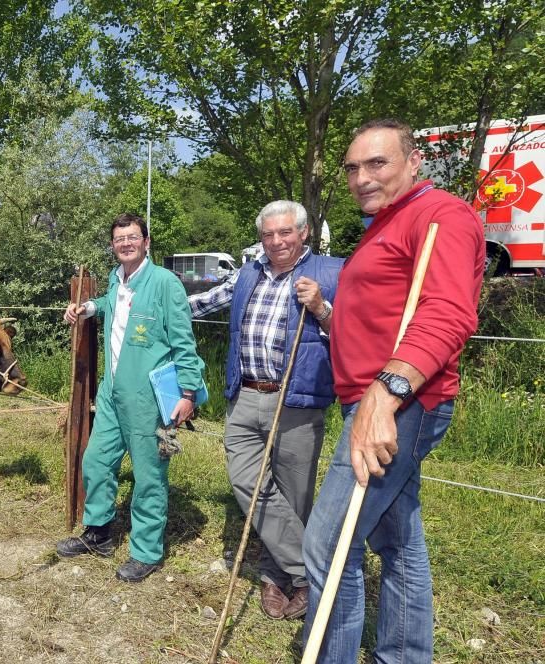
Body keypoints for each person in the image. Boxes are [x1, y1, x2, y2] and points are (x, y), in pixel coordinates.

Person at [302, 119, 484, 661]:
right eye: (353, 167)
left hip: (399, 401)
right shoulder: (384, 224)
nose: (362, 176)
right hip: (373, 396)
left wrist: (384, 394)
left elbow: (448, 313)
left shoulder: (439, 216)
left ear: (413, 161)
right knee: (397, 539)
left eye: (377, 163)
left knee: (329, 542)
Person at [188, 200, 342, 620]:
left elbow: (357, 332)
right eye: (268, 235)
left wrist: (322, 308)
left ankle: (276, 576)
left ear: (304, 232)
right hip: (245, 396)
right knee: (248, 485)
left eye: (285, 233)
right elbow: (202, 304)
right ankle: (308, 573)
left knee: (294, 495)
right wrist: (146, 309)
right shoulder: (248, 273)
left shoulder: (332, 273)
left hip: (296, 399)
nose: (276, 242)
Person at [56, 212, 205, 582]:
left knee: (149, 475)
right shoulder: (117, 279)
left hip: (150, 400)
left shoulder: (166, 284)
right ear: (113, 246)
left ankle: (147, 551)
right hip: (112, 392)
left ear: (146, 242)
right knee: (96, 461)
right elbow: (111, 302)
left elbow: (185, 343)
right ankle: (99, 533)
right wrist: (89, 307)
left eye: (132, 237)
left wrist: (187, 393)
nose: (126, 243)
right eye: (120, 239)